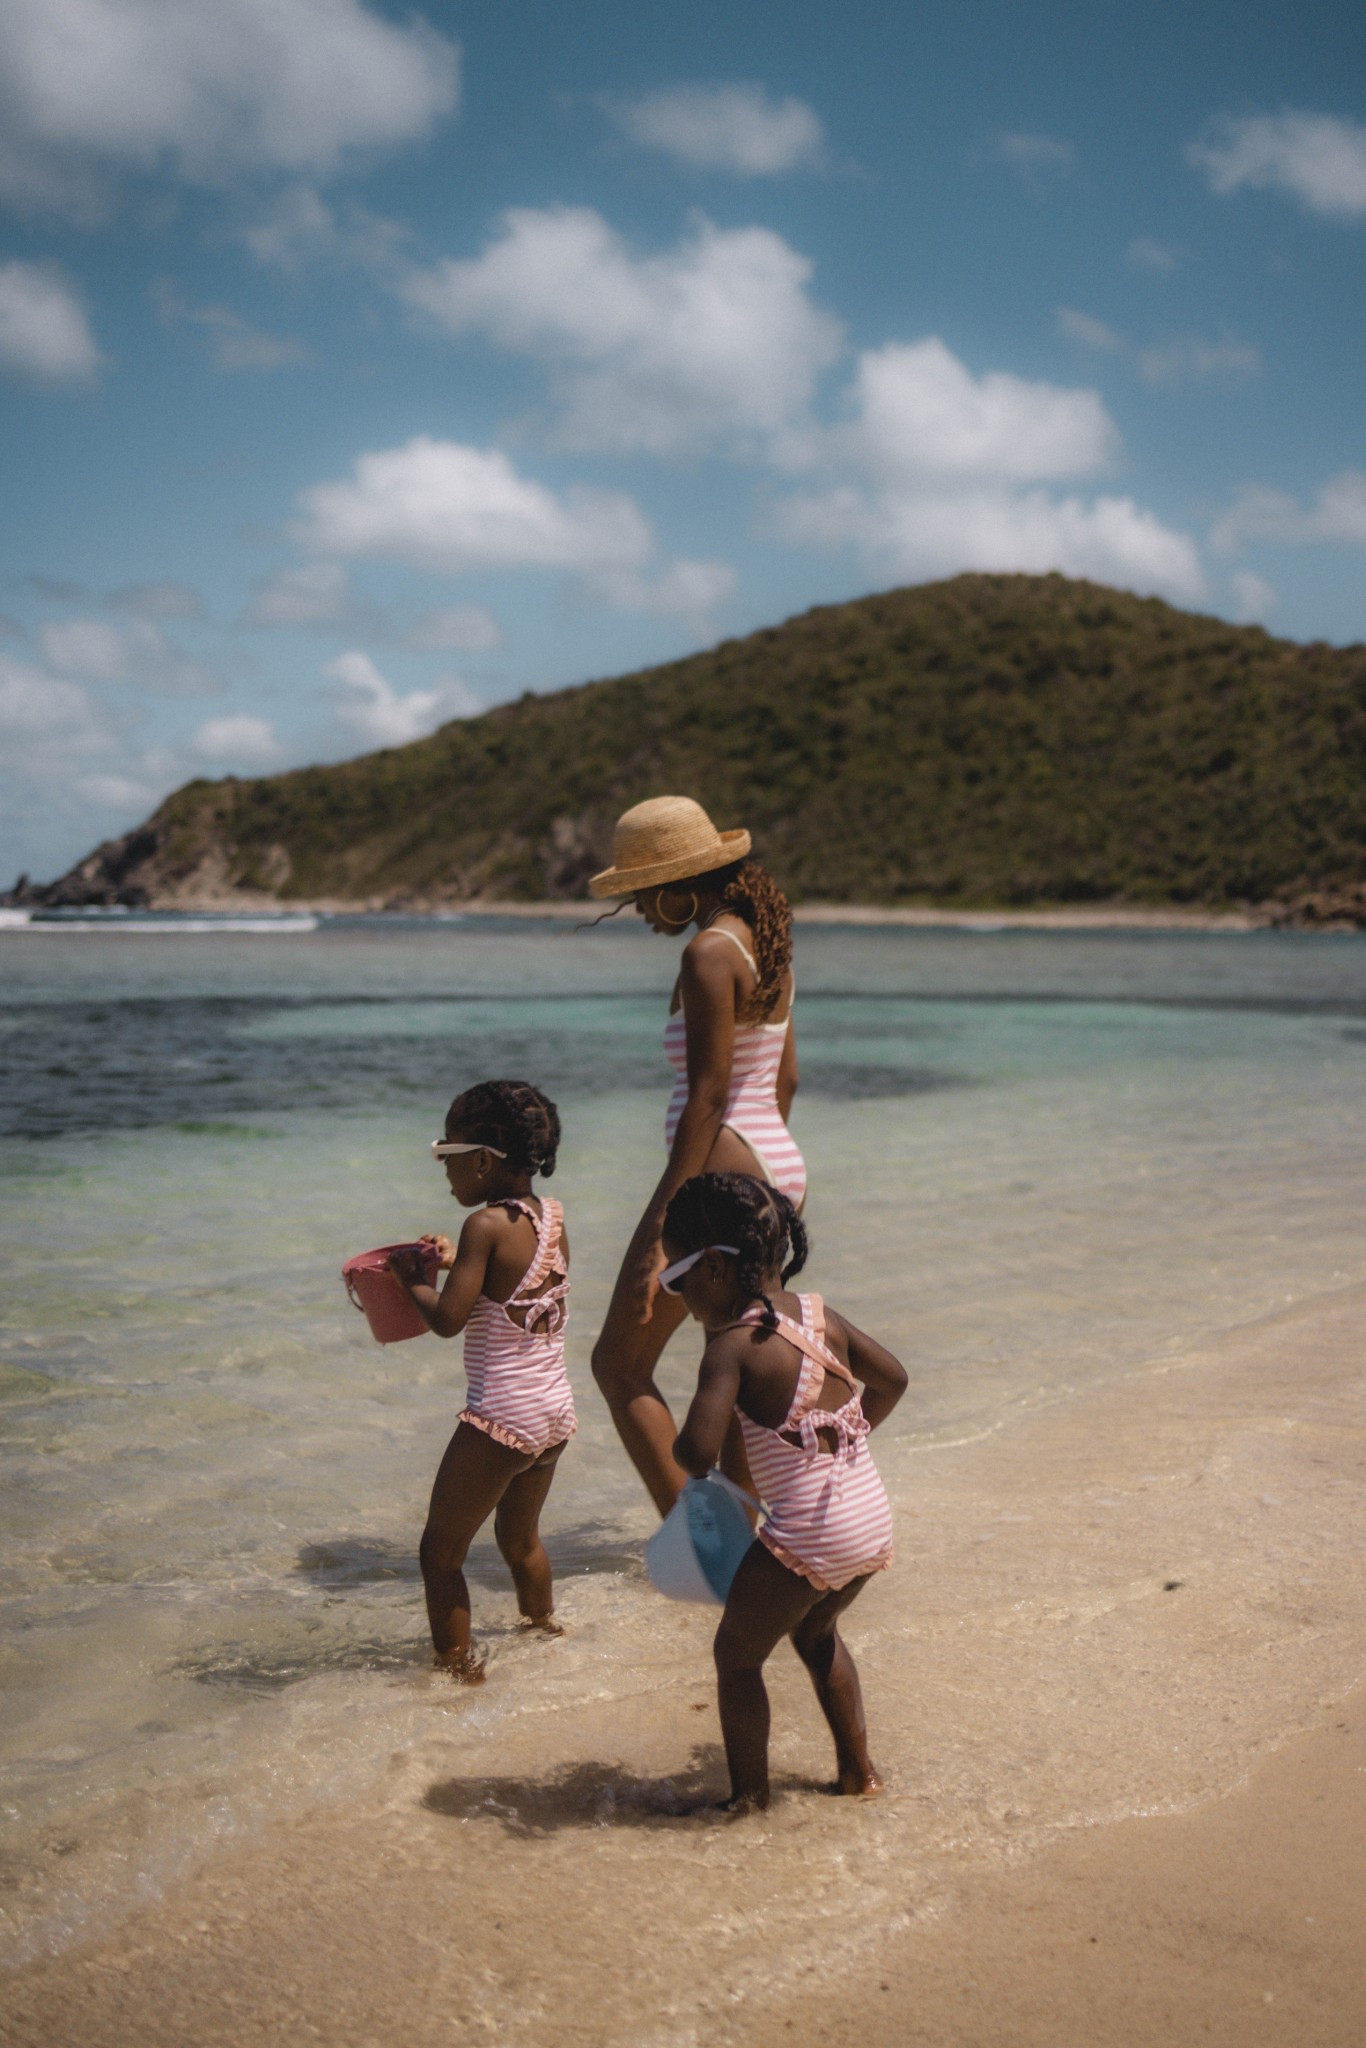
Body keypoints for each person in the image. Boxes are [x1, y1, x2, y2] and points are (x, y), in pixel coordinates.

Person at [661, 1171, 906, 1813]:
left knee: (736, 1656)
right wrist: (840, 1440)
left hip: (810, 1534)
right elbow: (895, 1380)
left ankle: (749, 1800)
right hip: (869, 1518)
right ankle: (859, 1774)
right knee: (817, 1633)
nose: (679, 1298)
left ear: (712, 1268)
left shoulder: (732, 1347)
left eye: (675, 1280)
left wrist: (680, 1448)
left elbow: (698, 1453)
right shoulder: (822, 1316)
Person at [587, 796, 805, 1514]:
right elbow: (785, 1079)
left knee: (619, 1366)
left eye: (644, 894)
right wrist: (766, 1182)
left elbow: (708, 1099)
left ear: (683, 884)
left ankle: (703, 1545)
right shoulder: (760, 942)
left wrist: (660, 1228)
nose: (641, 911)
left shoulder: (707, 952)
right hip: (770, 1166)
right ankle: (752, 1539)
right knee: (734, 1367)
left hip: (722, 1175)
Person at [388, 1080, 573, 1682]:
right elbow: (512, 1280)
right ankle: (544, 1632)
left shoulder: (481, 1225)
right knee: (520, 1540)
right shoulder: (549, 1216)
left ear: (483, 1161)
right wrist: (447, 1263)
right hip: (554, 1414)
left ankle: (458, 1673)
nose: (446, 1175)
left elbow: (446, 1320)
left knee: (439, 1553)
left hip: (501, 1419)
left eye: (449, 1159)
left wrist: (407, 1279)